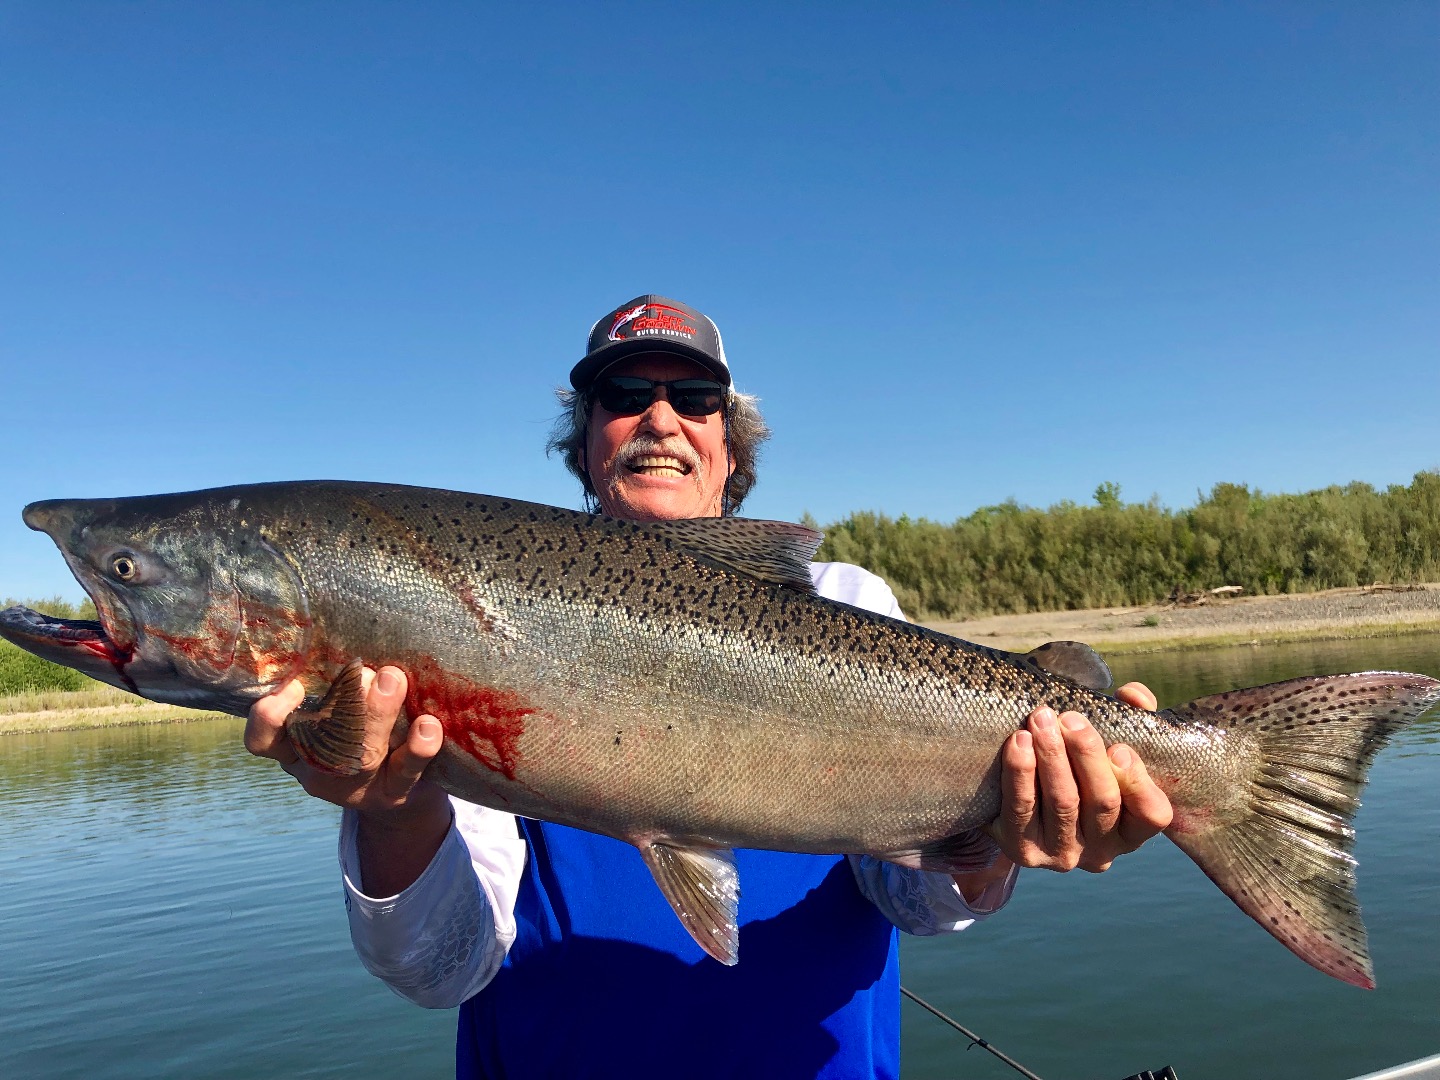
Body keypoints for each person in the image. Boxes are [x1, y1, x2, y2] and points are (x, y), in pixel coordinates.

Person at [246, 295, 1173, 1079]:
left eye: (693, 397)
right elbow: (440, 969)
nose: (659, 418)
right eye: (623, 395)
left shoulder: (845, 604)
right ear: (585, 447)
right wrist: (396, 812)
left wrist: (993, 845)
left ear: (732, 449)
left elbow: (916, 906)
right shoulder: (481, 621)